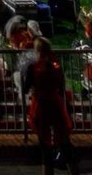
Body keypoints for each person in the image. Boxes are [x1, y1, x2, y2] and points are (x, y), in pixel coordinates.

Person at [24, 37, 78, 175]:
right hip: (55, 104)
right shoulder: (56, 65)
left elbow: (25, 88)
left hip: (41, 106)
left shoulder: (33, 67)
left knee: (45, 145)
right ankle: (73, 171)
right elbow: (61, 86)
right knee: (64, 142)